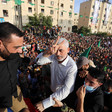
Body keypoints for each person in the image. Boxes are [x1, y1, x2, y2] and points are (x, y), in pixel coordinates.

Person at [36, 37, 77, 111]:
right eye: (56, 50)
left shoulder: (72, 66)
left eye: (61, 50)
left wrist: (44, 104)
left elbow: (66, 89)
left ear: (68, 50)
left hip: (63, 98)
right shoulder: (53, 56)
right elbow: (39, 61)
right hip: (51, 93)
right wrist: (48, 52)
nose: (57, 54)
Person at [0, 22, 28, 112]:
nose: (20, 51)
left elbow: (25, 62)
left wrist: (46, 55)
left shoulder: (13, 55)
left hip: (14, 93)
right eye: (16, 47)